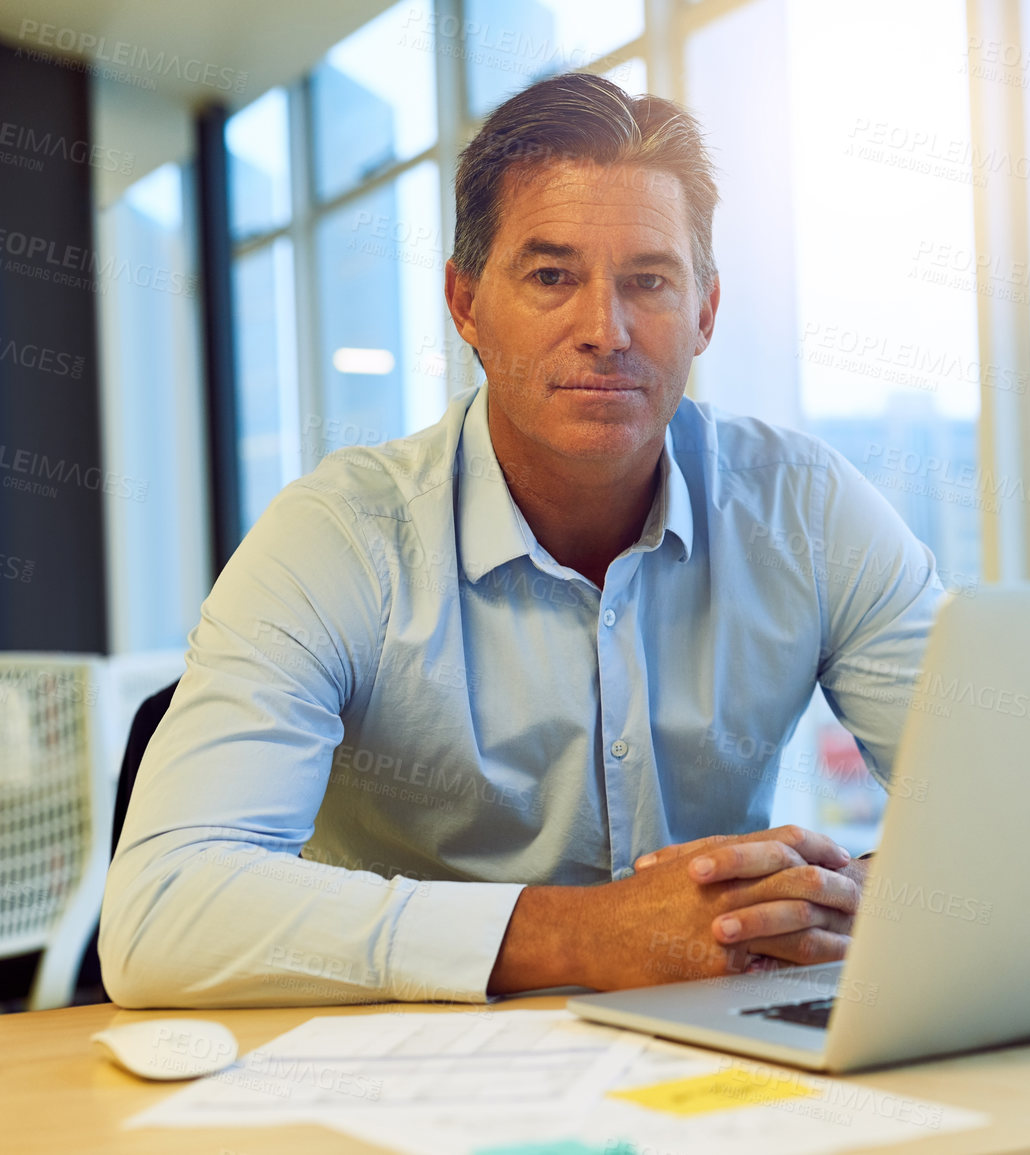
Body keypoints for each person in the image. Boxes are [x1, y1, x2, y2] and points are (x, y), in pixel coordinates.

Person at [99, 72, 942, 1007]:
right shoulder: (340, 535)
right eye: (551, 277)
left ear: (704, 311)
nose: (605, 330)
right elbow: (159, 913)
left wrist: (840, 901)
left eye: (649, 281)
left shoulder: (807, 506)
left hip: (718, 1051)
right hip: (402, 1074)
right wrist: (585, 932)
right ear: (465, 305)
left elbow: (1010, 807)